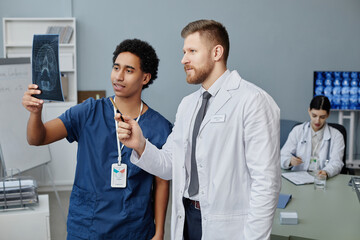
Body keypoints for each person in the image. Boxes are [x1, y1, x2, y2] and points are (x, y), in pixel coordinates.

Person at [116, 20, 281, 240]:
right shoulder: (188, 105)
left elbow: (266, 182)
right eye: (184, 52)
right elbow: (169, 165)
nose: (183, 59)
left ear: (217, 52)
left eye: (192, 51)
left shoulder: (253, 101)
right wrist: (140, 144)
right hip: (188, 218)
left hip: (229, 226)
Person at [22, 39, 172, 240]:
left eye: (129, 70)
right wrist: (35, 114)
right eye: (116, 67)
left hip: (134, 228)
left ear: (145, 78)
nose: (118, 76)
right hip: (87, 226)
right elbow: (37, 138)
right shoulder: (88, 112)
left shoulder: (160, 126)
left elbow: (162, 182)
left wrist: (159, 231)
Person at [281, 95, 344, 178]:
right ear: (309, 111)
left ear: (328, 114)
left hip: (321, 180)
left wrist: (326, 172)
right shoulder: (298, 131)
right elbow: (282, 156)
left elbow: (337, 162)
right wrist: (290, 161)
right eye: (314, 115)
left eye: (322, 117)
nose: (317, 120)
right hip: (298, 179)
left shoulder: (337, 136)